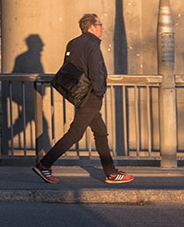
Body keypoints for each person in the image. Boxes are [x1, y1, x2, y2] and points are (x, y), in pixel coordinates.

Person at [32, 13, 134, 184]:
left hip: (79, 94)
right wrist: (99, 92)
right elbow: (96, 71)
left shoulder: (73, 42)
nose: (102, 28)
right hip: (91, 96)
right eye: (100, 24)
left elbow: (68, 68)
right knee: (75, 133)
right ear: (91, 27)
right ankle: (44, 164)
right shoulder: (92, 45)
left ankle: (110, 172)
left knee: (100, 132)